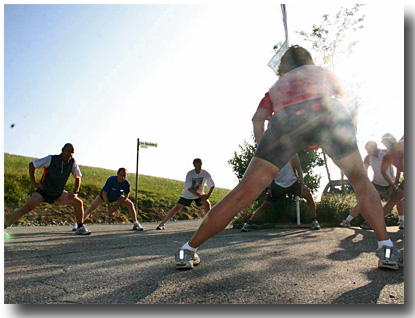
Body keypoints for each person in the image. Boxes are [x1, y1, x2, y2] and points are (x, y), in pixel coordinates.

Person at [174, 45, 402, 270]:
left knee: (242, 193)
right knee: (360, 181)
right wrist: (349, 128)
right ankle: (387, 249)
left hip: (285, 121)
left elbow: (257, 119)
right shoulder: (323, 72)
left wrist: (263, 150)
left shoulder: (276, 86)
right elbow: (349, 97)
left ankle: (187, 250)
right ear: (308, 59)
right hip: (329, 112)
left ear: (284, 66)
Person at [4, 143, 91, 235]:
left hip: (58, 193)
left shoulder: (72, 162)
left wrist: (75, 192)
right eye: (68, 151)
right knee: (27, 208)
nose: (70, 154)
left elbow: (78, 177)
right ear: (62, 150)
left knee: (78, 202)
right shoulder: (51, 159)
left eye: (72, 152)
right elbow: (32, 165)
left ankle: (80, 227)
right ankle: (4, 225)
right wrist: (34, 182)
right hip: (44, 191)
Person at [241, 154, 320, 232]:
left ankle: (314, 221)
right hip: (278, 185)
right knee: (266, 205)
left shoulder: (293, 154)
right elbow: (268, 173)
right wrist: (269, 187)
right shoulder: (271, 156)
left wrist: (302, 184)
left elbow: (299, 169)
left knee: (308, 196)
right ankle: (248, 224)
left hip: (293, 183)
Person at [340, 140, 396, 228]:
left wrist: (395, 181)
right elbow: (364, 172)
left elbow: (396, 163)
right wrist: (366, 184)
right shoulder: (368, 158)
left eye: (369, 149)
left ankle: (402, 221)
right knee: (363, 200)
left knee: (399, 199)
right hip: (376, 182)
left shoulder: (385, 153)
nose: (368, 152)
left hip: (390, 182)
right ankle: (347, 221)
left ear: (375, 147)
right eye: (366, 150)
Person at [75, 168, 143, 231]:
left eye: (124, 176)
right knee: (91, 208)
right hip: (104, 197)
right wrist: (108, 206)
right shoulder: (111, 180)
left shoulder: (126, 183)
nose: (123, 178)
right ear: (118, 174)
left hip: (116, 197)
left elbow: (126, 195)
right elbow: (104, 193)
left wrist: (117, 206)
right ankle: (78, 223)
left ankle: (135, 223)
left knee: (130, 204)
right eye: (121, 175)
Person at [156, 158, 215, 230]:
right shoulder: (190, 174)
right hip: (188, 194)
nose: (198, 167)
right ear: (193, 165)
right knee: (177, 207)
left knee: (207, 204)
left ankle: (209, 223)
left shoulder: (205, 173)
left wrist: (208, 195)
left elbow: (212, 185)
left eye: (199, 165)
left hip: (199, 194)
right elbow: (189, 188)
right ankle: (162, 223)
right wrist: (200, 195)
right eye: (196, 165)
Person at [380, 133, 404, 230]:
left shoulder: (402, 145)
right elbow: (383, 171)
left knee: (394, 199)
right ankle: (375, 221)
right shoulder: (388, 156)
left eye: (389, 141)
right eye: (386, 142)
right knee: (394, 199)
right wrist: (393, 184)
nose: (388, 144)